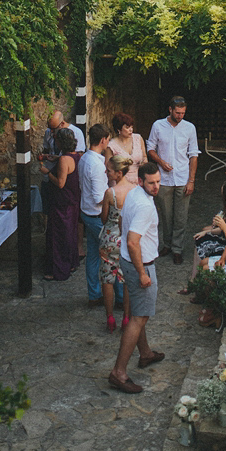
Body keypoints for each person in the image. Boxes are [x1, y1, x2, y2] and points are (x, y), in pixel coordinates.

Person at [108, 164, 165, 394]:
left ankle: (146, 354)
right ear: (141, 181)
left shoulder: (133, 193)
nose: (156, 186)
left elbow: (122, 223)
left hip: (127, 262)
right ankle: (118, 372)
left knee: (137, 313)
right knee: (139, 318)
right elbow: (132, 241)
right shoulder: (144, 206)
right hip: (140, 265)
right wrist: (142, 273)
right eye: (151, 183)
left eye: (159, 182)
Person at [146, 96, 199, 264]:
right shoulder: (158, 125)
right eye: (177, 112)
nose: (180, 116)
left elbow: (193, 155)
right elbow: (150, 148)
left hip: (183, 178)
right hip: (164, 179)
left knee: (181, 216)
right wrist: (161, 162)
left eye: (183, 113)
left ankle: (177, 248)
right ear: (170, 109)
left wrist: (191, 180)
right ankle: (167, 244)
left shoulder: (190, 128)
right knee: (166, 215)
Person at [99, 155, 136, 332]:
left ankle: (110, 317)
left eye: (109, 171)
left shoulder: (110, 193)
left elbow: (104, 217)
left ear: (118, 173)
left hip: (110, 237)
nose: (107, 173)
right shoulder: (135, 190)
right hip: (127, 237)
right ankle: (127, 317)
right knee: (127, 278)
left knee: (107, 278)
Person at [79, 123, 112, 306]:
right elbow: (101, 198)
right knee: (112, 256)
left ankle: (94, 294)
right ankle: (118, 297)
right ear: (102, 140)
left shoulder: (84, 159)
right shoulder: (97, 166)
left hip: (86, 213)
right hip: (96, 216)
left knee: (92, 256)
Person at [43, 127, 81, 281]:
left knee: (59, 236)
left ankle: (59, 269)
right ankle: (71, 263)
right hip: (73, 201)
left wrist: (47, 172)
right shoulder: (76, 155)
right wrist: (55, 159)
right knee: (70, 233)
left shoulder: (65, 160)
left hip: (62, 203)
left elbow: (60, 183)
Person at [105, 112, 147, 182]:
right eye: (127, 127)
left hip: (138, 181)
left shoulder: (138, 138)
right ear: (119, 129)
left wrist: (144, 162)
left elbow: (145, 157)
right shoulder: (111, 146)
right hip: (120, 183)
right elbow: (108, 169)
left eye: (132, 127)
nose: (131, 130)